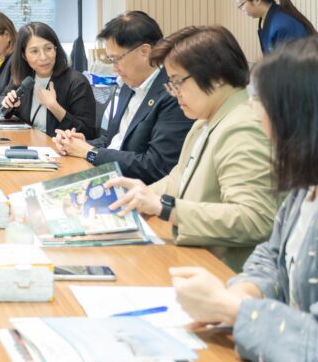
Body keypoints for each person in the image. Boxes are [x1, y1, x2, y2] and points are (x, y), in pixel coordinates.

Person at [170, 37, 318, 362]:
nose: (256, 114)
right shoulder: (312, 178)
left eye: (262, 103)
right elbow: (272, 258)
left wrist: (233, 310)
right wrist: (241, 294)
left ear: (297, 113)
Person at [106, 25, 281, 271]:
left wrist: (165, 208)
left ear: (218, 77)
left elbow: (255, 220)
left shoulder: (243, 127)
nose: (174, 93)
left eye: (178, 82)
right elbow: (179, 179)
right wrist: (136, 196)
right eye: (171, 83)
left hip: (224, 273)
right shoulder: (205, 121)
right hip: (196, 259)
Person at [53, 11, 193, 182]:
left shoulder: (173, 94)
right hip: (109, 175)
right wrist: (82, 144)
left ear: (144, 51)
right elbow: (116, 139)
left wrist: (89, 152)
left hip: (137, 188)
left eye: (116, 59)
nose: (114, 68)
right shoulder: (128, 84)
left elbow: (156, 166)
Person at [0, 22, 98, 138]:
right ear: (24, 55)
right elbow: (1, 101)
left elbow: (87, 133)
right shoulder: (25, 78)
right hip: (28, 142)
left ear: (56, 49)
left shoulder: (77, 82)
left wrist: (54, 107)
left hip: (57, 147)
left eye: (48, 48)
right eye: (34, 51)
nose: (43, 57)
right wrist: (9, 104)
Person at [233, 0, 317, 56]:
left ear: (257, 0)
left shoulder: (282, 26)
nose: (241, 9)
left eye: (241, 4)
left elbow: (289, 63)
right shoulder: (269, 19)